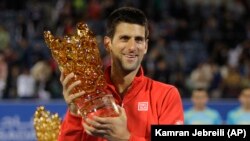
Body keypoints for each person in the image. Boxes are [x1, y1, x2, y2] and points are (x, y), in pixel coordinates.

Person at [58, 7, 184, 141]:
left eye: (139, 40)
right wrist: (74, 112)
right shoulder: (89, 95)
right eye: (124, 38)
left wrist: (125, 138)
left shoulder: (166, 96)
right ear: (108, 43)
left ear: (146, 46)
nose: (132, 47)